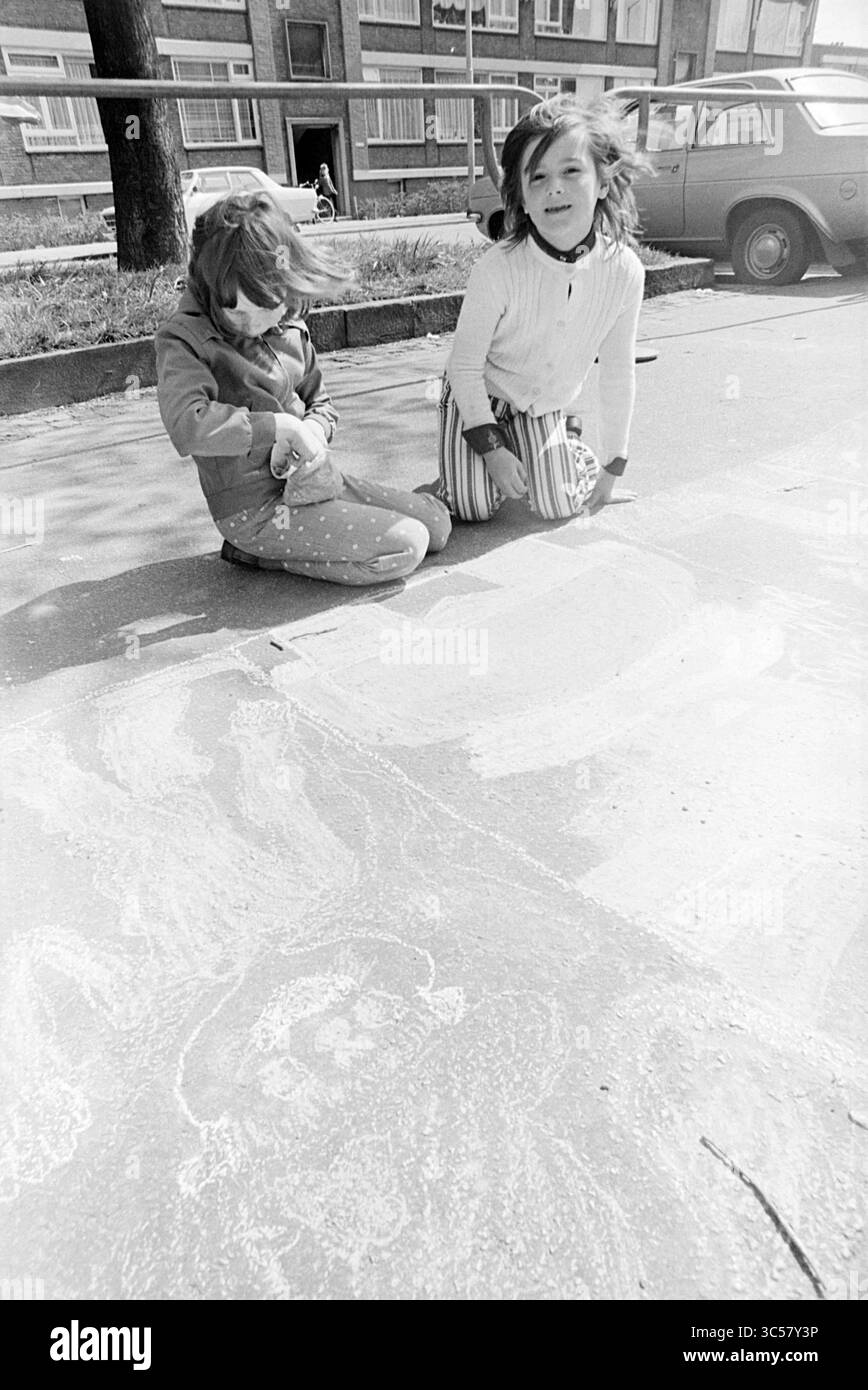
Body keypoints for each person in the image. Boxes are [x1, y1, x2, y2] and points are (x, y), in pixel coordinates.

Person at [155, 192, 450, 585]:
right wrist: (279, 427)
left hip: (314, 483)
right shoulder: (185, 339)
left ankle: (314, 534)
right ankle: (257, 554)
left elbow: (322, 403)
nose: (251, 325)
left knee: (437, 523)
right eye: (236, 312)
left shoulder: (290, 323)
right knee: (406, 544)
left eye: (267, 308)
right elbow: (187, 425)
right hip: (253, 511)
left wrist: (311, 431)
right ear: (210, 288)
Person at [439, 94, 650, 524]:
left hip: (543, 406)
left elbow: (616, 372)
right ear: (521, 196)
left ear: (603, 182)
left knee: (558, 505)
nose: (554, 187)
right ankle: (473, 458)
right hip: (481, 397)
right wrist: (492, 451)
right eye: (538, 178)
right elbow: (463, 367)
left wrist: (614, 463)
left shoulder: (624, 271)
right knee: (471, 506)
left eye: (571, 171)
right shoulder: (498, 268)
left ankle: (559, 443)